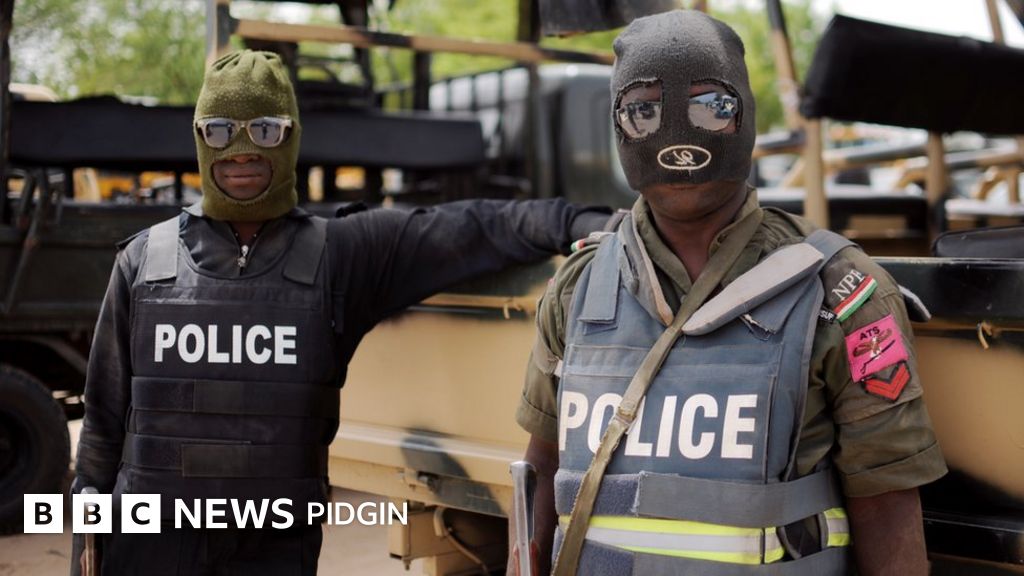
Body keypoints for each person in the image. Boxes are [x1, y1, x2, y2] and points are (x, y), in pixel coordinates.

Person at [70, 49, 610, 575]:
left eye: (264, 130)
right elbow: (100, 426)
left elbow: (475, 228)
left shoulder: (337, 255)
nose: (240, 150)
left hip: (271, 554)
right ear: (199, 137)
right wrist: (84, 550)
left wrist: (588, 224)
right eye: (219, 131)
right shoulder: (145, 260)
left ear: (290, 136)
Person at [511, 10, 947, 576]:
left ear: (743, 115)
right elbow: (542, 472)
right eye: (644, 111)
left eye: (709, 106)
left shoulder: (839, 293)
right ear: (617, 123)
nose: (675, 133)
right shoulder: (580, 287)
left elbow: (886, 507)